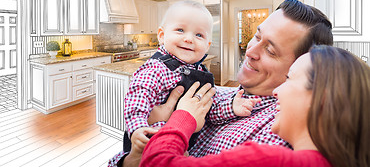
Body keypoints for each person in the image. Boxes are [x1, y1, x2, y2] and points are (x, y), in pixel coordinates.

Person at [108, 0, 334, 167]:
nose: (250, 51)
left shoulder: (275, 136)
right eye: (256, 36)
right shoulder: (230, 94)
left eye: (271, 51)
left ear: (300, 66)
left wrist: (178, 119)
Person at [140, 45, 370, 167]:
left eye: (289, 79)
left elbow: (156, 164)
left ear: (321, 98)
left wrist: (181, 118)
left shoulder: (270, 159)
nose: (277, 92)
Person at [123, 0, 259, 162]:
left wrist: (231, 107)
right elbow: (136, 101)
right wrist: (137, 128)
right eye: (180, 30)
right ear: (162, 35)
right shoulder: (156, 69)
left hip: (183, 148)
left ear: (207, 45)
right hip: (148, 142)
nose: (189, 39)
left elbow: (209, 110)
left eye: (199, 35)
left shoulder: (202, 74)